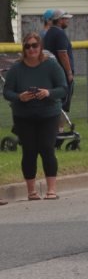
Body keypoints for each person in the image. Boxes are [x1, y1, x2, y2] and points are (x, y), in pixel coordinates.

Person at [4, 32, 68, 201]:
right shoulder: (16, 68)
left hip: (49, 113)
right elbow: (7, 92)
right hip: (24, 115)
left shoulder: (51, 64)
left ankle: (51, 189)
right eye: (27, 46)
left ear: (40, 47)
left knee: (47, 148)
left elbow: (63, 88)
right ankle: (31, 191)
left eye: (34, 45)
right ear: (23, 48)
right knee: (29, 150)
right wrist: (20, 97)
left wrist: (48, 93)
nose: (31, 49)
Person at [43, 9, 75, 120]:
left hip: (51, 73)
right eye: (66, 19)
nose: (67, 21)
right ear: (60, 20)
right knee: (63, 105)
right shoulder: (60, 33)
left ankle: (53, 127)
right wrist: (69, 73)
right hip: (62, 74)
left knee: (54, 102)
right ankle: (58, 128)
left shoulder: (49, 33)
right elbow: (62, 54)